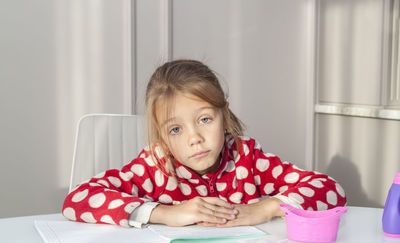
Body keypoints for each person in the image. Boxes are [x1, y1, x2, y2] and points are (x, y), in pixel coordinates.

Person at [62, 59, 347, 228]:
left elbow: (332, 190)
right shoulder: (154, 168)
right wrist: (165, 213)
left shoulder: (246, 158)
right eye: (175, 129)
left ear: (224, 114)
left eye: (205, 120)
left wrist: (266, 208)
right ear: (162, 137)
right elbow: (77, 198)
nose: (194, 138)